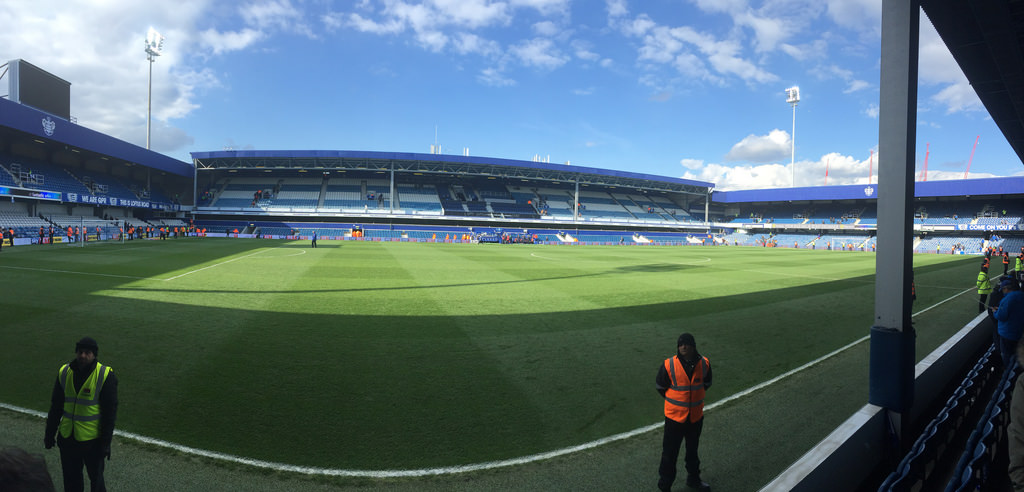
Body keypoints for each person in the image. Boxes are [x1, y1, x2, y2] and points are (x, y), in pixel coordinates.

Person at [44, 337, 118, 492]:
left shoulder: (105, 375)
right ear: (76, 352)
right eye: (80, 352)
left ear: (94, 355)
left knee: (96, 483)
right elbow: (56, 406)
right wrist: (49, 433)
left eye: (87, 352)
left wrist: (105, 443)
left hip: (93, 442)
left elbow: (110, 414)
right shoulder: (64, 372)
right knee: (71, 482)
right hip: (67, 438)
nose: (83, 356)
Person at [656, 333, 712, 492]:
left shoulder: (704, 363)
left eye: (686, 344)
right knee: (669, 455)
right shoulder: (669, 365)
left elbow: (707, 382)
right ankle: (665, 486)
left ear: (693, 346)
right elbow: (660, 386)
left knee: (692, 452)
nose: (683, 347)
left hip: (695, 418)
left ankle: (694, 479)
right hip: (674, 419)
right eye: (680, 344)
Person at [991, 279, 1024, 367]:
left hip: (1007, 333)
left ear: (1006, 288)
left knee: (1007, 355)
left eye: (1003, 289)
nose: (1002, 291)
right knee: (1017, 353)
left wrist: (995, 312)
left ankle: (1008, 370)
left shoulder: (1007, 299)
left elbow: (1001, 316)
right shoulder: (1021, 295)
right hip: (1019, 331)